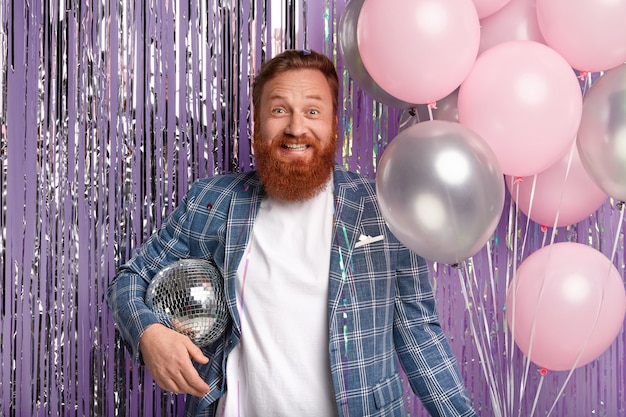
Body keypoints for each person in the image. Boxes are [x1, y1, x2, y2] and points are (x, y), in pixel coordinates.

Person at [107, 49, 477, 417]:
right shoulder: (213, 200)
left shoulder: (383, 205)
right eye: (279, 110)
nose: (296, 128)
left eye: (312, 111)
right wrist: (148, 334)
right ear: (258, 123)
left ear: (334, 125)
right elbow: (131, 278)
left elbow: (418, 333)